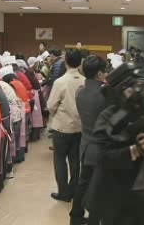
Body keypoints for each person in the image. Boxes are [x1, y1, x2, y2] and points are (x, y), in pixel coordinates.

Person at [84, 56, 144, 225]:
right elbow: (101, 157)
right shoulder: (111, 115)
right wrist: (135, 150)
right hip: (114, 198)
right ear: (137, 81)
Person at [69, 55, 107, 225]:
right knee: (99, 187)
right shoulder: (105, 94)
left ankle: (75, 217)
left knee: (83, 183)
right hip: (101, 148)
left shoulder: (80, 92)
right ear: (100, 74)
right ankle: (94, 219)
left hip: (86, 144)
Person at [47, 49, 85, 202]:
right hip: (79, 127)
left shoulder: (60, 82)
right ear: (80, 62)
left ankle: (63, 192)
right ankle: (74, 190)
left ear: (66, 61)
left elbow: (50, 105)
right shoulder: (84, 81)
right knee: (75, 160)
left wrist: (56, 114)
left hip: (62, 127)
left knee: (60, 160)